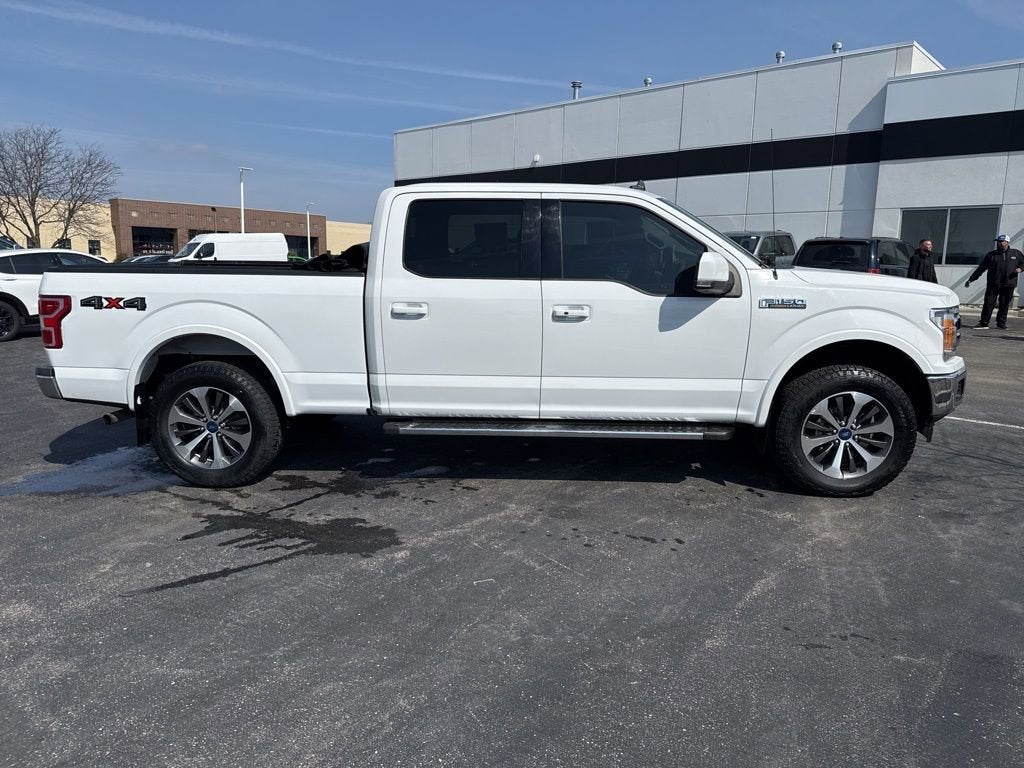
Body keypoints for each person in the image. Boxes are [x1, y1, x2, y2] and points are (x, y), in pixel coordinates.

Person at [966, 235, 1024, 330]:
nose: (1000, 243)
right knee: (988, 303)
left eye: (1002, 241)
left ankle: (1001, 324)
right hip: (993, 283)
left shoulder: (1016, 253)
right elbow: (981, 268)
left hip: (1009, 283)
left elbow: (1023, 263)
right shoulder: (991, 255)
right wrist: (971, 279)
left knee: (1004, 304)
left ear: (1007, 242)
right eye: (998, 241)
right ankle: (984, 323)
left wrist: (1020, 269)